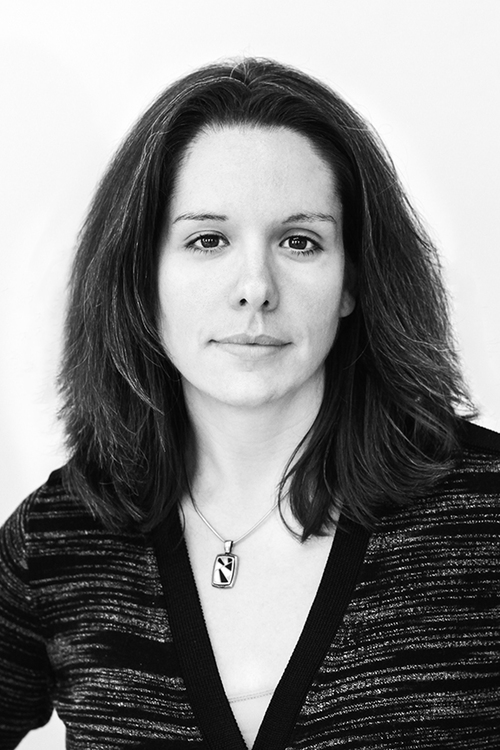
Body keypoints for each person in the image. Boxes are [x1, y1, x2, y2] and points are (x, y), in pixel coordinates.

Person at [0, 57, 499, 750]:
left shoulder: (486, 514)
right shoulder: (58, 540)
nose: (255, 287)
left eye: (300, 241)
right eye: (208, 240)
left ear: (351, 281)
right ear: (142, 277)